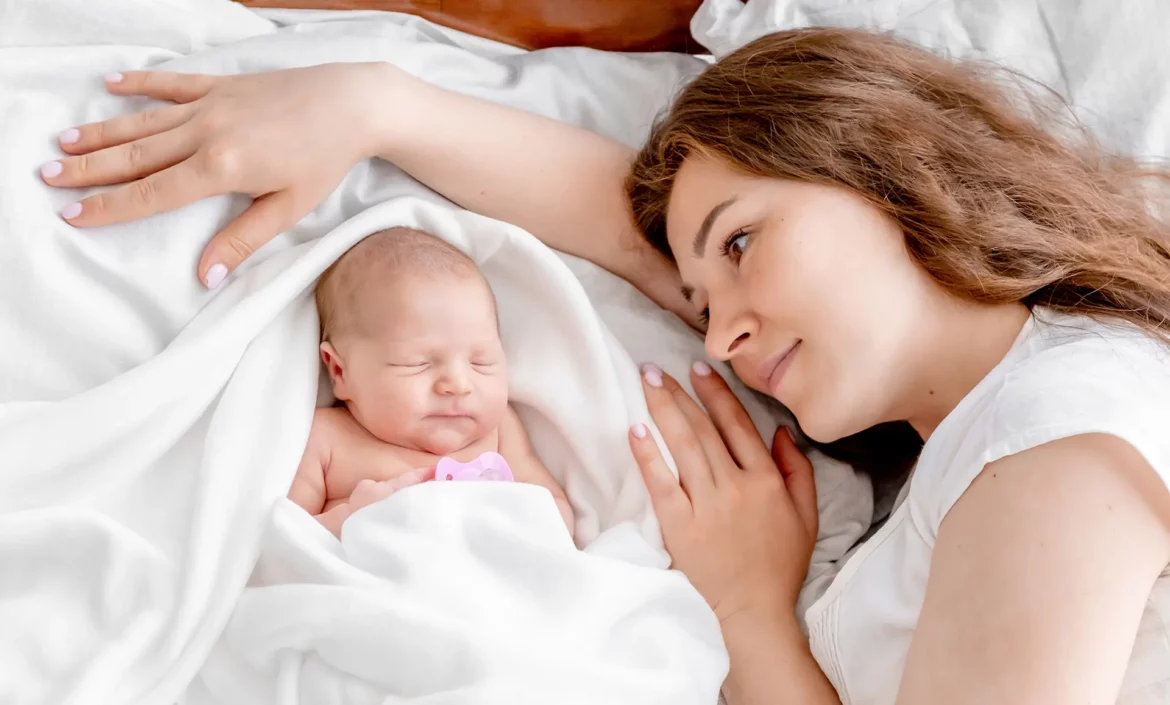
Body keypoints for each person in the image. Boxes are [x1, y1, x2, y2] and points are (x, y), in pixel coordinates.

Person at [40, 27, 1170, 705]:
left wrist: (750, 608)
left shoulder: (1053, 445)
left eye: (740, 245)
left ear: (889, 162)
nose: (717, 337)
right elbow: (632, 231)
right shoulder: (999, 408)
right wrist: (378, 105)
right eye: (704, 300)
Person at [289, 226, 574, 538]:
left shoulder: (499, 430)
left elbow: (555, 513)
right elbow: (286, 539)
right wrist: (352, 518)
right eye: (418, 364)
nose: (458, 384)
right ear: (340, 371)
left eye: (481, 362)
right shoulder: (325, 439)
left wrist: (512, 523)